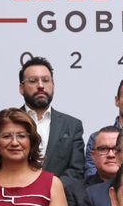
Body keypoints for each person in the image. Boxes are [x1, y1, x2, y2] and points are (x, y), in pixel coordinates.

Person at [18, 56, 86, 191]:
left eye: (46, 80)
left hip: (59, 200)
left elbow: (76, 171)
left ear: (53, 86)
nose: (41, 86)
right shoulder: (8, 122)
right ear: (21, 88)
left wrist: (49, 190)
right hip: (17, 199)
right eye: (33, 81)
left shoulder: (72, 125)